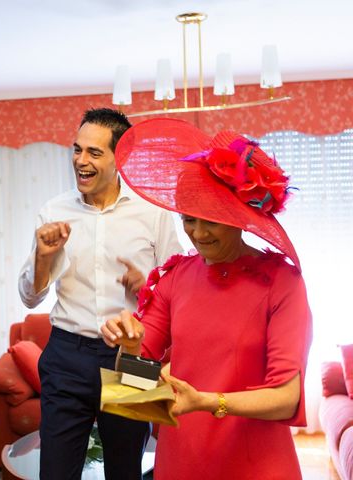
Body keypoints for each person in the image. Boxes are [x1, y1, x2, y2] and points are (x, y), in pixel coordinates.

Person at [101, 118, 312, 479]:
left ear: (238, 216)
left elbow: (286, 399)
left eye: (209, 220)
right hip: (180, 463)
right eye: (188, 220)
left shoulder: (282, 282)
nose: (197, 234)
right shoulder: (173, 278)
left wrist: (207, 401)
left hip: (258, 466)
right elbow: (131, 394)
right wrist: (131, 348)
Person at [18, 108, 181, 479]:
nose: (80, 160)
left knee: (127, 471)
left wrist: (148, 287)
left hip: (133, 356)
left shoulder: (153, 213)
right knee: (56, 472)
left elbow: (177, 291)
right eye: (77, 150)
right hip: (65, 356)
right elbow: (30, 297)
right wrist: (43, 257)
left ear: (119, 157)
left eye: (94, 152)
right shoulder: (53, 211)